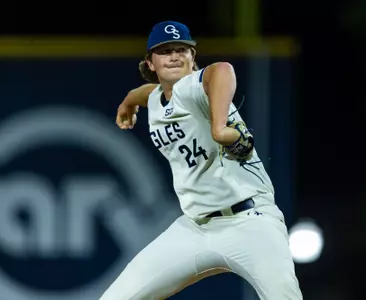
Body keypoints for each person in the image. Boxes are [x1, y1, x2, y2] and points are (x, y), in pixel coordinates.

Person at [101, 20, 303, 300]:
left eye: (182, 49)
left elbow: (222, 69)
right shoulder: (159, 97)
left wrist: (220, 127)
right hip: (195, 228)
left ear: (193, 58)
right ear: (150, 63)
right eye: (165, 51)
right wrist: (128, 102)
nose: (174, 56)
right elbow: (147, 94)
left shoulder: (194, 88)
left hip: (251, 222)